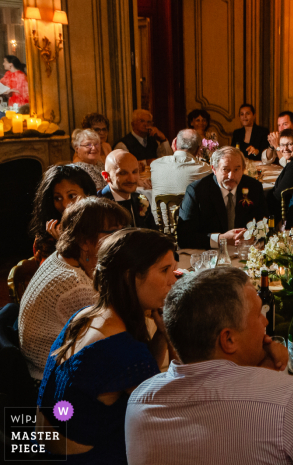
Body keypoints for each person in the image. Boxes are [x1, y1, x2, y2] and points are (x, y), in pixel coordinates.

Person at [125, 267, 293, 465]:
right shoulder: (292, 402)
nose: (266, 322)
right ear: (229, 339)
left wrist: (258, 371)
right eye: (258, 314)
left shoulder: (139, 403)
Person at [35, 229, 178, 464]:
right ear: (130, 276)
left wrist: (162, 334)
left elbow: (137, 376)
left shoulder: (84, 316)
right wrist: (174, 339)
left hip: (44, 445)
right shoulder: (125, 353)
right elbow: (170, 412)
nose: (173, 279)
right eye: (165, 270)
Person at [19, 197, 130, 383]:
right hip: (53, 376)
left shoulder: (63, 257)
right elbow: (116, 331)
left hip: (52, 361)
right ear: (84, 241)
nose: (123, 238)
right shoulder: (76, 286)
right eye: (113, 232)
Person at [178, 146, 267, 249]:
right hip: (210, 255)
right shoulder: (197, 191)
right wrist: (220, 239)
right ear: (214, 169)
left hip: (245, 253)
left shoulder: (254, 187)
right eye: (225, 169)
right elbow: (184, 237)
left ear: (243, 169)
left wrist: (253, 235)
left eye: (237, 169)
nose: (231, 176)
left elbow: (265, 224)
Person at [29, 165, 97, 263]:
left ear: (88, 194)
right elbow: (53, 274)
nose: (65, 205)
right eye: (58, 198)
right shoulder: (47, 236)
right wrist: (63, 242)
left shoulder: (100, 225)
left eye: (72, 196)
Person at [149, 129, 210, 228]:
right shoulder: (205, 169)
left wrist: (176, 151)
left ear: (175, 143)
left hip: (161, 229)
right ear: (199, 149)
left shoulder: (155, 164)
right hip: (192, 231)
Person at [98, 149, 157, 229]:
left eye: (134, 172)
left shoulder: (140, 200)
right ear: (106, 176)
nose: (131, 179)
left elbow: (153, 233)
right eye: (123, 173)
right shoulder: (97, 205)